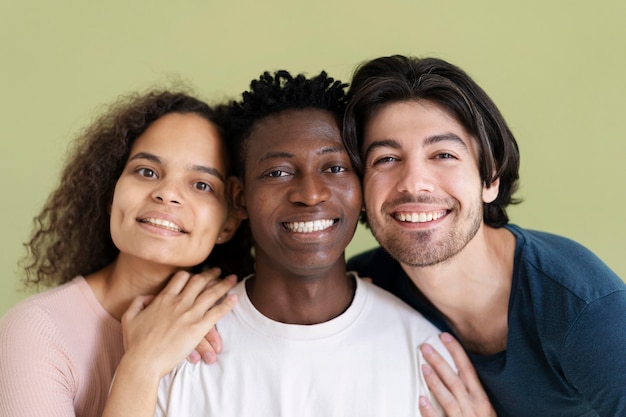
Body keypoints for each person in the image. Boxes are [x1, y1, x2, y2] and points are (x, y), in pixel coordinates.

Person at [154, 70, 454, 417]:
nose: (311, 194)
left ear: (362, 188)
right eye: (278, 172)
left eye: (335, 167)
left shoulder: (427, 356)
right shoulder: (180, 347)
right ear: (239, 199)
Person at [343, 54, 626, 417]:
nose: (414, 182)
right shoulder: (369, 287)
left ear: (490, 178)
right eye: (385, 159)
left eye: (443, 154)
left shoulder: (587, 313)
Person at [0, 89, 254, 417]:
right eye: (147, 172)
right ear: (111, 193)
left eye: (202, 185)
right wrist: (141, 364)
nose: (167, 194)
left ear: (228, 224)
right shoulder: (35, 331)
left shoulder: (232, 322)